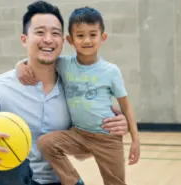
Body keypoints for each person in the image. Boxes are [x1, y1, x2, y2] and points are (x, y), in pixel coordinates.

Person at [0, 1, 129, 185]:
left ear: (63, 40)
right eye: (39, 32)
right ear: (24, 39)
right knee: (14, 168)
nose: (48, 39)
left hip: (57, 179)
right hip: (13, 180)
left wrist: (111, 126)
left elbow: (83, 153)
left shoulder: (76, 89)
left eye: (55, 33)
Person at [15, 6, 140, 185]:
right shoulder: (64, 64)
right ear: (70, 40)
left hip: (108, 138)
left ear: (103, 37)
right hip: (78, 135)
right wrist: (20, 65)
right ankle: (73, 182)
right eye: (80, 35)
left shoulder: (111, 71)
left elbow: (126, 106)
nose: (87, 40)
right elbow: (38, 60)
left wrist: (135, 139)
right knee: (45, 143)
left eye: (93, 34)